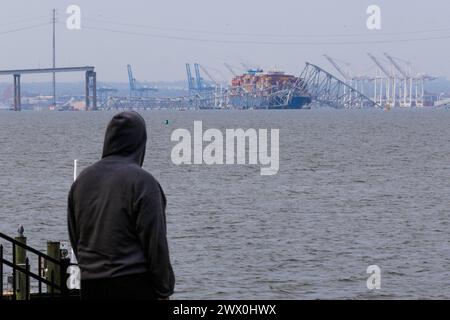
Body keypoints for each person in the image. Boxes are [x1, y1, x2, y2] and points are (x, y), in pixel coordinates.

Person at [67, 111, 175, 300]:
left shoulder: (81, 182)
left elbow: (75, 237)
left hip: (91, 285)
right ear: (140, 144)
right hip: (134, 284)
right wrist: (164, 289)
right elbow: (155, 244)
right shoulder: (143, 183)